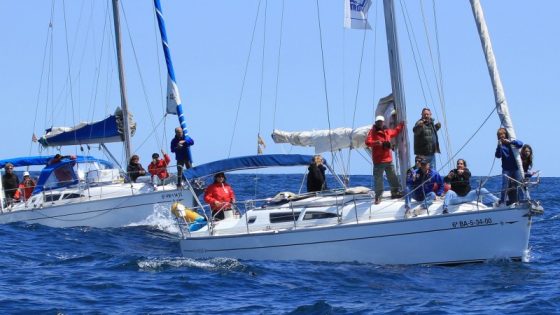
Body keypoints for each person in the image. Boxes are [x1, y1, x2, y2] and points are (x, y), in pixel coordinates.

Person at [365, 115, 405, 204]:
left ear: (383, 122)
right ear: (376, 122)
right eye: (378, 121)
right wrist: (377, 143)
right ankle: (378, 196)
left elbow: (395, 131)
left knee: (393, 177)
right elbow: (367, 142)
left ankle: (395, 192)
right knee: (378, 179)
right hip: (379, 160)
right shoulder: (372, 132)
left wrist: (402, 125)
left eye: (381, 121)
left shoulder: (387, 131)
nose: (380, 123)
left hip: (388, 159)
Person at [495, 127, 523, 205]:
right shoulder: (501, 146)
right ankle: (502, 201)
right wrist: (499, 146)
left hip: (516, 168)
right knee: (505, 185)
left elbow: (520, 144)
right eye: (499, 135)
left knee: (519, 184)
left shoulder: (511, 143)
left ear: (506, 134)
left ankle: (521, 200)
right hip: (506, 169)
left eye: (502, 134)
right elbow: (498, 155)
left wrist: (510, 142)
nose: (501, 136)